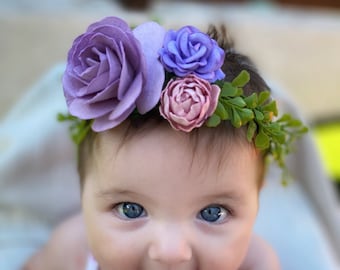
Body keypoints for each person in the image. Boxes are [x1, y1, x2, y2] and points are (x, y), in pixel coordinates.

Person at [24, 16, 307, 270]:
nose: (170, 253)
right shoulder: (72, 251)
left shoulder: (257, 263)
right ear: (83, 191)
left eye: (212, 213)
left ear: (257, 201)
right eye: (130, 209)